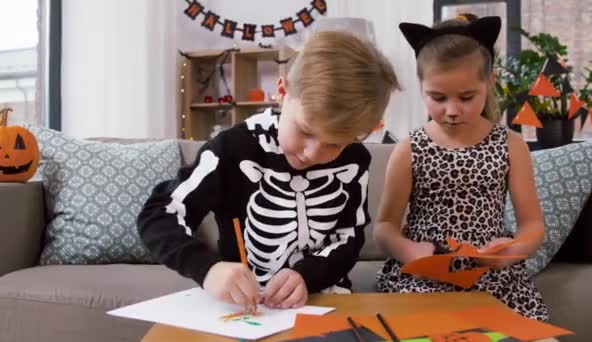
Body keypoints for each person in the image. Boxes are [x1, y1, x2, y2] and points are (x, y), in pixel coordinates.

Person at [138, 31, 400, 313]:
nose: (312, 153)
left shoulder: (354, 160)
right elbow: (158, 215)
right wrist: (207, 268)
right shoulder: (231, 149)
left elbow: (349, 238)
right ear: (283, 92)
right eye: (305, 131)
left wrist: (307, 275)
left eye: (334, 144)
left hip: (325, 301)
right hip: (245, 306)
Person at [374, 15, 549, 321]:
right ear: (421, 87)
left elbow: (532, 226)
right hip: (424, 278)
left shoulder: (511, 145)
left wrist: (510, 250)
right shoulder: (409, 150)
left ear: (489, 83)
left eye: (467, 97)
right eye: (437, 97)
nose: (452, 110)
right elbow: (384, 228)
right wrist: (409, 251)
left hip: (492, 278)